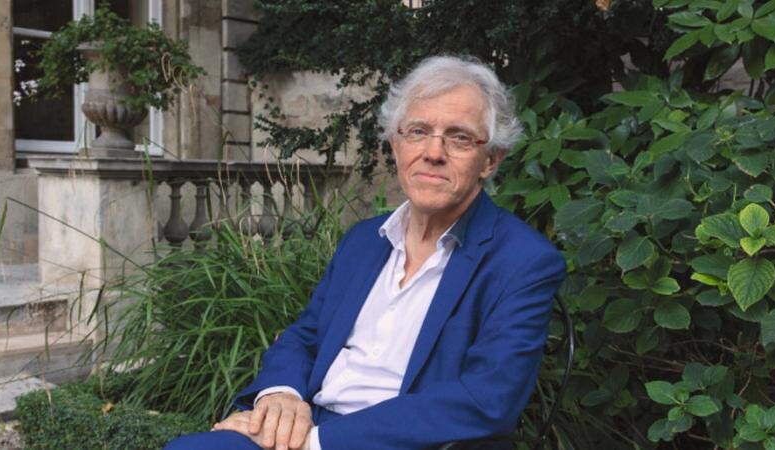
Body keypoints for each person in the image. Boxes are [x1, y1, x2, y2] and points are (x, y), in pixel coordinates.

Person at [164, 55, 566, 450]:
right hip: (308, 425)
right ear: (395, 145)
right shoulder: (363, 240)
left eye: (459, 137)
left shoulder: (523, 260)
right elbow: (306, 336)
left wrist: (315, 442)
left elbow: (487, 398)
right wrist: (281, 396)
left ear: (490, 160)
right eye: (418, 131)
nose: (434, 152)